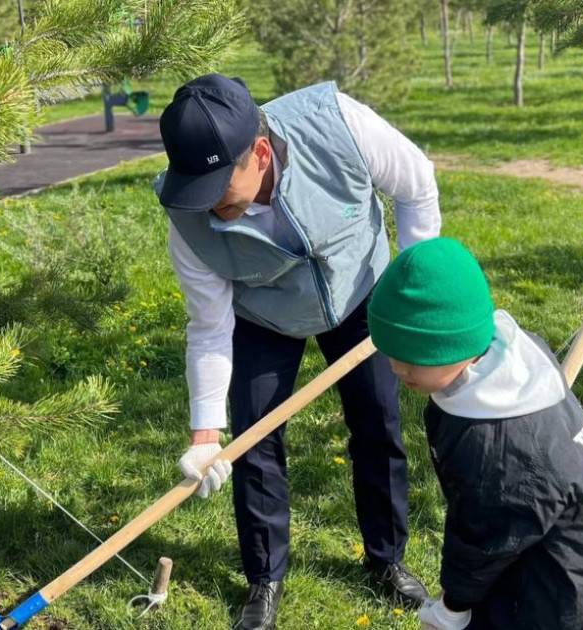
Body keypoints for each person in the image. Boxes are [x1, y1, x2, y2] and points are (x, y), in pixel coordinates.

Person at [153, 74, 442, 629]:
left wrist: (413, 280)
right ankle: (265, 579)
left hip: (360, 289)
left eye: (218, 186)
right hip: (264, 314)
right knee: (255, 436)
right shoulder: (189, 221)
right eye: (196, 188)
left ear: (259, 153)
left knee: (378, 422)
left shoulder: (339, 124)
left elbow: (417, 183)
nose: (208, 206)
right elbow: (210, 328)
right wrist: (204, 436)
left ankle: (386, 559)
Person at [365, 238, 583, 630]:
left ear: (454, 345)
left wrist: (451, 608)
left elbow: (485, 538)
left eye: (411, 359)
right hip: (531, 538)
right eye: (390, 354)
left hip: (572, 578)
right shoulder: (498, 364)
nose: (396, 368)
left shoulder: (497, 441)